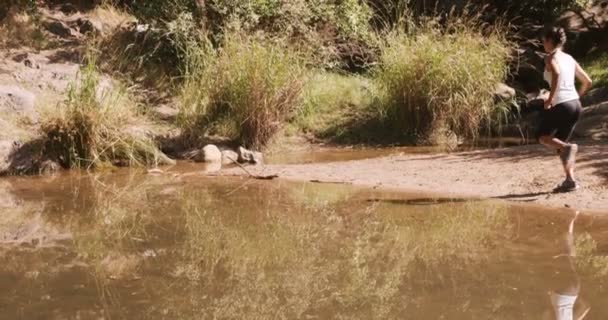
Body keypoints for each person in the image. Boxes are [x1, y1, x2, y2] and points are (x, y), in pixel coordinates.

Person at [538, 27, 593, 192]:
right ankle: (570, 181)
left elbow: (556, 74)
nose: (543, 44)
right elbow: (588, 81)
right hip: (575, 104)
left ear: (549, 41)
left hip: (562, 104)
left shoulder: (550, 57)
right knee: (560, 146)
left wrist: (550, 98)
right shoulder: (569, 58)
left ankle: (569, 150)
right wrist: (577, 96)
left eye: (544, 41)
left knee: (541, 136)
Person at [542, 211, 591, 320]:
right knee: (568, 253)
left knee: (570, 253)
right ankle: (570, 219)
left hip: (573, 291)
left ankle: (570, 220)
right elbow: (546, 313)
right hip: (558, 294)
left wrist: (577, 298)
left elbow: (586, 307)